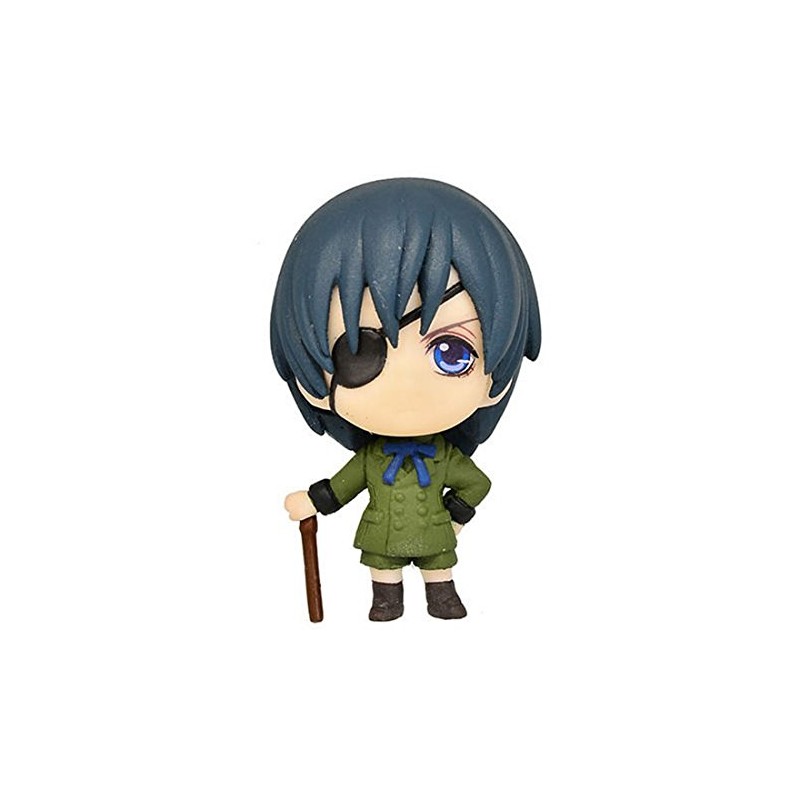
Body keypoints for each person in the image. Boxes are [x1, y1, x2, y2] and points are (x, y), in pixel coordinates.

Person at [271, 178, 540, 620]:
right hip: (382, 539)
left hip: (435, 537)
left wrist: (455, 516)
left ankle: (442, 598)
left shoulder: (444, 458)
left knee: (440, 576)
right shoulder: (371, 460)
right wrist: (313, 501)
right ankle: (386, 601)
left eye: (452, 353)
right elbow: (341, 487)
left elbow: (477, 484)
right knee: (383, 579)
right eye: (359, 353)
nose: (408, 385)